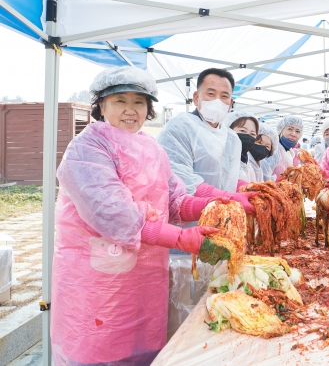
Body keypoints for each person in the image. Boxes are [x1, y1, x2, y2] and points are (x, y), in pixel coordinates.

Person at [51, 66, 229, 366]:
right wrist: (182, 238)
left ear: (149, 109)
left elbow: (174, 200)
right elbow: (113, 215)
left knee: (140, 351)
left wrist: (216, 205)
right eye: (120, 101)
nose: (130, 110)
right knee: (98, 349)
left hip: (145, 278)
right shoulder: (88, 147)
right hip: (97, 279)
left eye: (139, 102)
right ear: (101, 106)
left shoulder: (152, 148)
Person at [157, 68, 254, 214]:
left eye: (224, 96)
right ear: (196, 98)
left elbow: (234, 173)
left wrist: (247, 189)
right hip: (189, 220)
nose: (217, 101)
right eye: (211, 94)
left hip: (226, 216)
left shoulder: (232, 138)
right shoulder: (180, 127)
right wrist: (228, 197)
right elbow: (181, 181)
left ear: (230, 103)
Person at [224, 111, 260, 188]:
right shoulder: (222, 158)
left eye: (252, 134)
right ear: (229, 130)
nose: (248, 136)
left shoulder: (246, 161)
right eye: (243, 131)